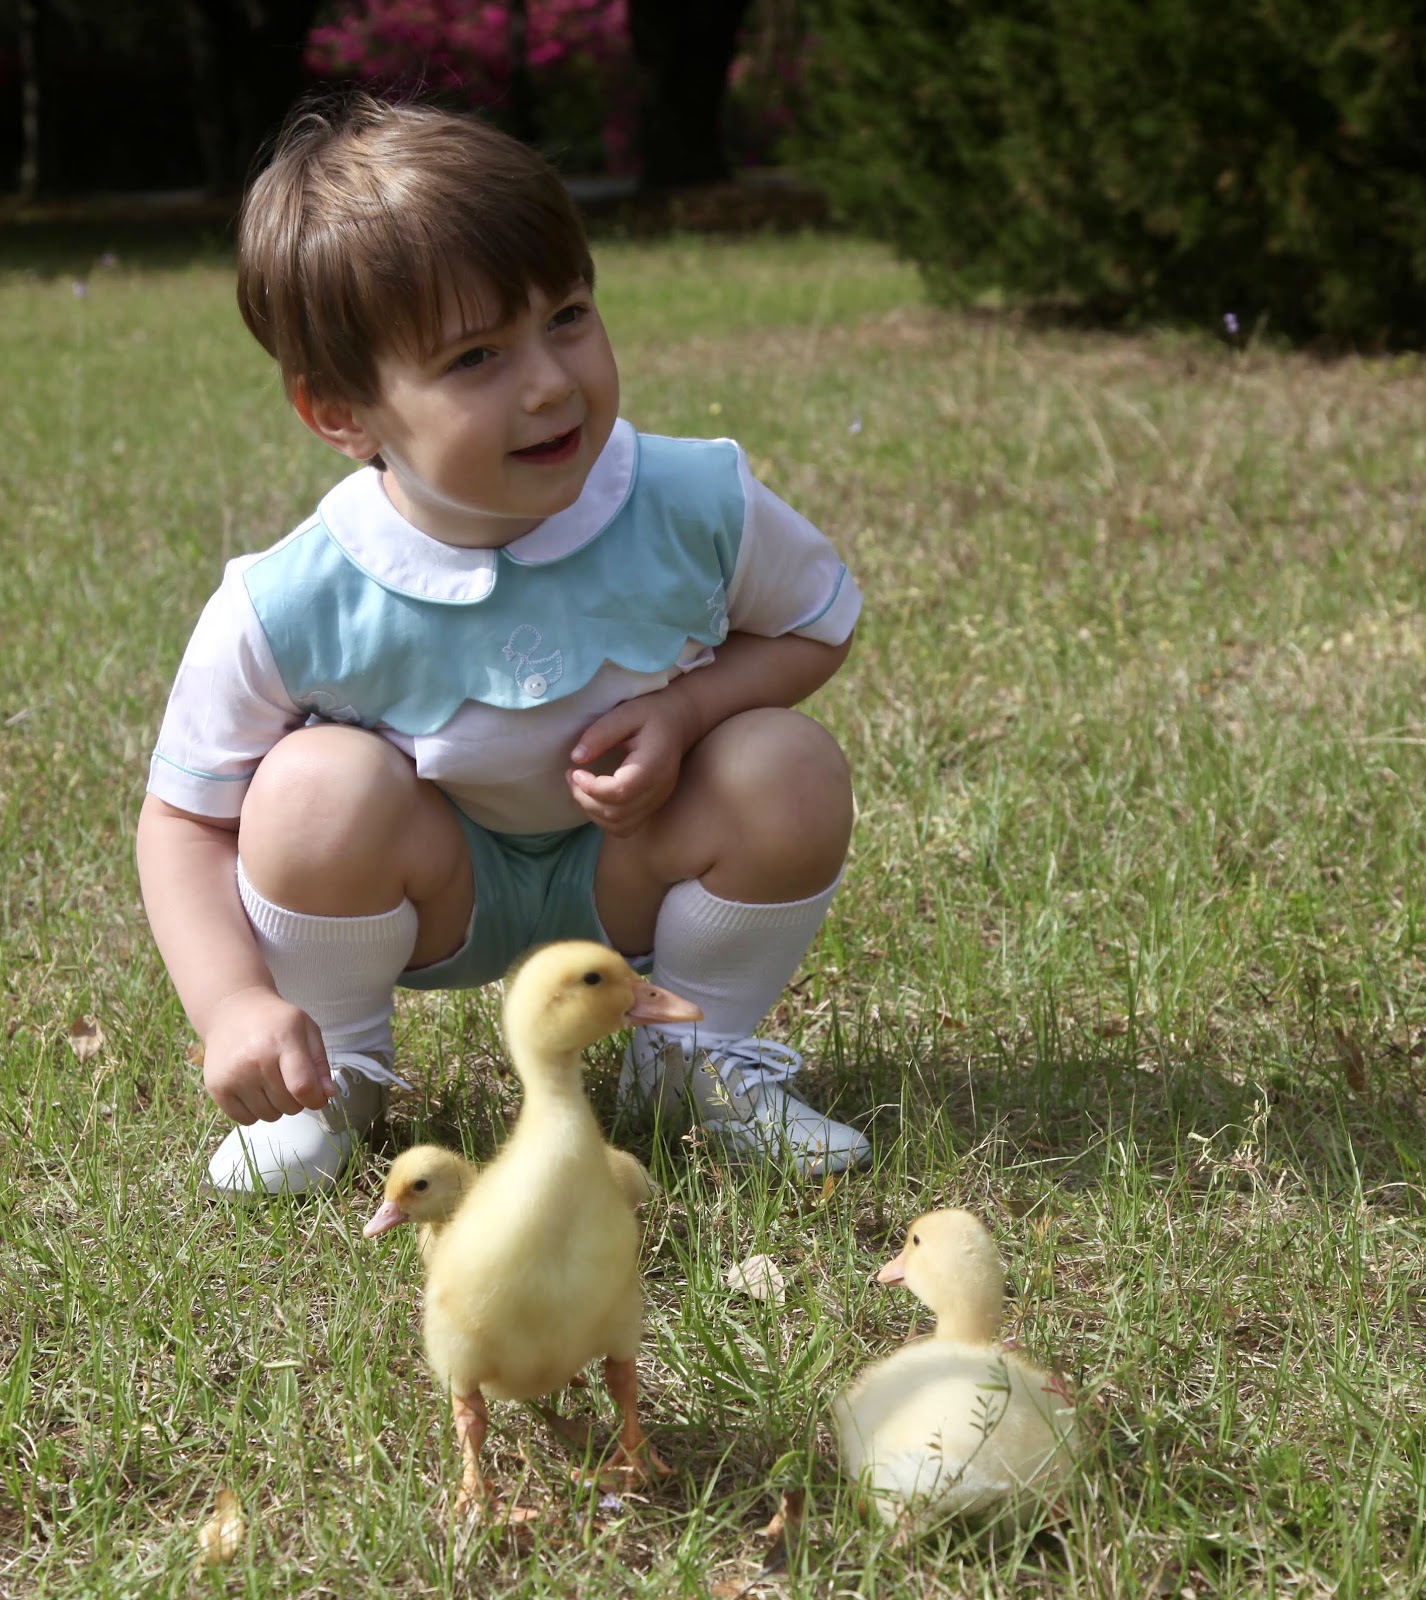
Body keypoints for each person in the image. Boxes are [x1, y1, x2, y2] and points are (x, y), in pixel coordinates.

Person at [135, 93, 869, 1198]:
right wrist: (233, 1001)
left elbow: (816, 623)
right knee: (313, 786)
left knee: (788, 762)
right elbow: (185, 821)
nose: (549, 382)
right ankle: (335, 1078)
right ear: (341, 413)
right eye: (475, 356)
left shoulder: (690, 501)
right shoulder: (293, 598)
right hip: (433, 891)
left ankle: (697, 1059)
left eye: (566, 315)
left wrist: (684, 713)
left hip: (633, 866)